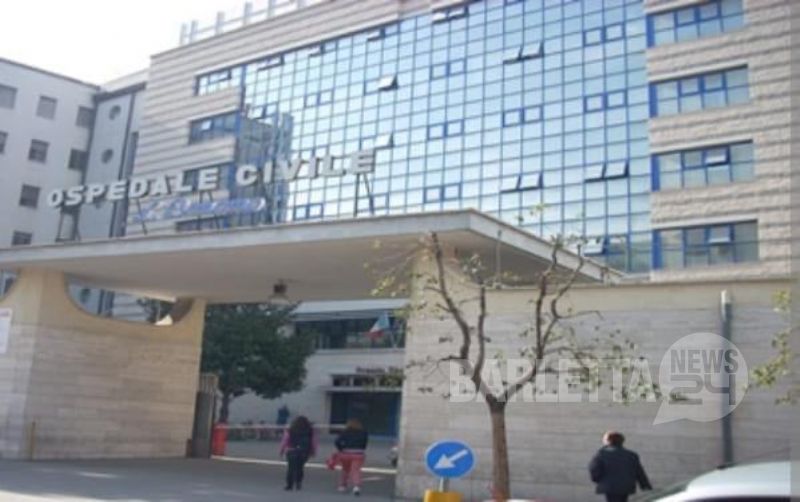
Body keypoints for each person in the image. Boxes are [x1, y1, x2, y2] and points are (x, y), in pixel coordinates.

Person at [589, 431, 652, 502]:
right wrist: (644, 485)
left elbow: (594, 468)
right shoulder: (631, 455)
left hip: (609, 486)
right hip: (626, 486)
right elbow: (639, 471)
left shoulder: (601, 454)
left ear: (608, 441)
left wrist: (597, 479)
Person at [280, 416, 317, 491]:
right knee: (300, 468)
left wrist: (282, 450)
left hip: (292, 450)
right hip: (304, 451)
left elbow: (285, 440)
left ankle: (289, 485)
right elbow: (313, 442)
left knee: (291, 468)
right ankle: (298, 483)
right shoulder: (310, 431)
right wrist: (313, 451)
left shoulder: (290, 430)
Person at [334, 418, 369, 496]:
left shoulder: (345, 432)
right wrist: (361, 448)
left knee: (345, 469)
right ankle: (356, 486)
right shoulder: (364, 432)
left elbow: (337, 441)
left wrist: (341, 449)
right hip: (358, 453)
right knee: (356, 470)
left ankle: (343, 485)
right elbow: (365, 443)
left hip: (345, 453)